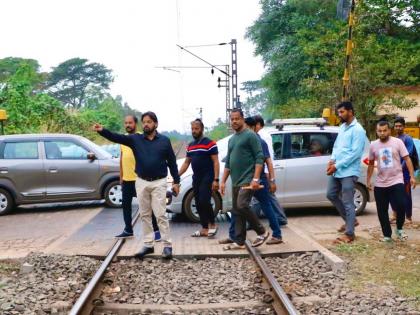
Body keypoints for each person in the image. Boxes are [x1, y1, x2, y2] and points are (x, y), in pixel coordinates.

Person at [93, 111, 180, 259]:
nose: (146, 124)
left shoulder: (164, 141)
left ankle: (167, 245)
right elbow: (117, 137)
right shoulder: (135, 139)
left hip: (159, 182)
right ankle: (148, 245)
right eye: (144, 122)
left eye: (149, 122)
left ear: (155, 124)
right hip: (141, 181)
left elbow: (172, 162)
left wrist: (176, 181)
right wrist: (102, 131)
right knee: (145, 214)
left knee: (160, 214)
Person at [219, 108, 270, 250]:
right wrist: (223, 181)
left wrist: (255, 178)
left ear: (242, 119)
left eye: (237, 118)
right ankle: (239, 241)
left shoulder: (250, 136)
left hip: (248, 179)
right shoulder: (232, 139)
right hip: (235, 180)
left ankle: (262, 231)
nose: (234, 121)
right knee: (237, 210)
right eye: (232, 119)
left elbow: (260, 157)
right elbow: (228, 163)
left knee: (242, 205)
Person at [367, 120, 416, 242]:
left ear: (389, 130)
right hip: (380, 183)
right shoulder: (373, 145)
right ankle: (387, 235)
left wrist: (412, 176)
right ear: (376, 131)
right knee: (382, 211)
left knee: (401, 205)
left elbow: (407, 159)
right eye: (380, 131)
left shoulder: (398, 142)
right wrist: (368, 180)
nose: (382, 133)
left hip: (396, 180)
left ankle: (399, 228)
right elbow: (371, 164)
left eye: (385, 130)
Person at [114, 115, 161, 241]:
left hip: (139, 179)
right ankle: (128, 230)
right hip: (127, 179)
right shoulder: (123, 139)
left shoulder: (141, 138)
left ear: (135, 124)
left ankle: (156, 231)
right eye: (126, 123)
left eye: (130, 123)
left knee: (147, 206)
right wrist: (121, 176)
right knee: (126, 206)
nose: (128, 125)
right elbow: (122, 158)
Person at [326, 101, 366, 244]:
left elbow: (355, 154)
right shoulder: (342, 127)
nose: (340, 115)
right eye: (339, 112)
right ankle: (351, 221)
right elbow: (337, 147)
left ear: (350, 111)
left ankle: (349, 234)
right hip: (338, 169)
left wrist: (337, 165)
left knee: (348, 202)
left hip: (349, 171)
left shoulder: (358, 130)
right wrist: (332, 160)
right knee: (330, 194)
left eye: (342, 112)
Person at [244, 116, 283, 244]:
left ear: (254, 127)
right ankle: (236, 235)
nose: (246, 130)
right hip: (248, 180)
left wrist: (272, 180)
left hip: (259, 181)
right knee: (240, 206)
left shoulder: (260, 142)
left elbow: (269, 162)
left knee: (266, 206)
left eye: (248, 127)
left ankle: (277, 234)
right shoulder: (249, 141)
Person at [179, 118, 220, 237]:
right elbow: (186, 163)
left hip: (208, 176)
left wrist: (216, 179)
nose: (194, 131)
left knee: (204, 200)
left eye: (196, 129)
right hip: (196, 177)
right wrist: (177, 175)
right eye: (192, 129)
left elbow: (216, 162)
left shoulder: (210, 143)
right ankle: (204, 228)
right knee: (197, 202)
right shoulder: (191, 146)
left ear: (201, 129)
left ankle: (212, 224)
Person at [254, 115, 288, 227]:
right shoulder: (259, 135)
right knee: (267, 196)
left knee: (265, 197)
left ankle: (279, 218)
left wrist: (268, 174)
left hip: (264, 171)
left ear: (258, 125)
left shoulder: (262, 136)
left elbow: (267, 157)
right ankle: (279, 218)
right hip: (264, 170)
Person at [390, 117, 417, 225]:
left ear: (404, 127)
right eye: (396, 126)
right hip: (394, 171)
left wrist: (400, 168)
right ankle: (395, 215)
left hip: (405, 172)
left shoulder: (407, 139)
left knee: (406, 194)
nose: (398, 128)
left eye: (400, 126)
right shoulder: (394, 139)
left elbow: (408, 156)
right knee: (392, 193)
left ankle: (408, 217)